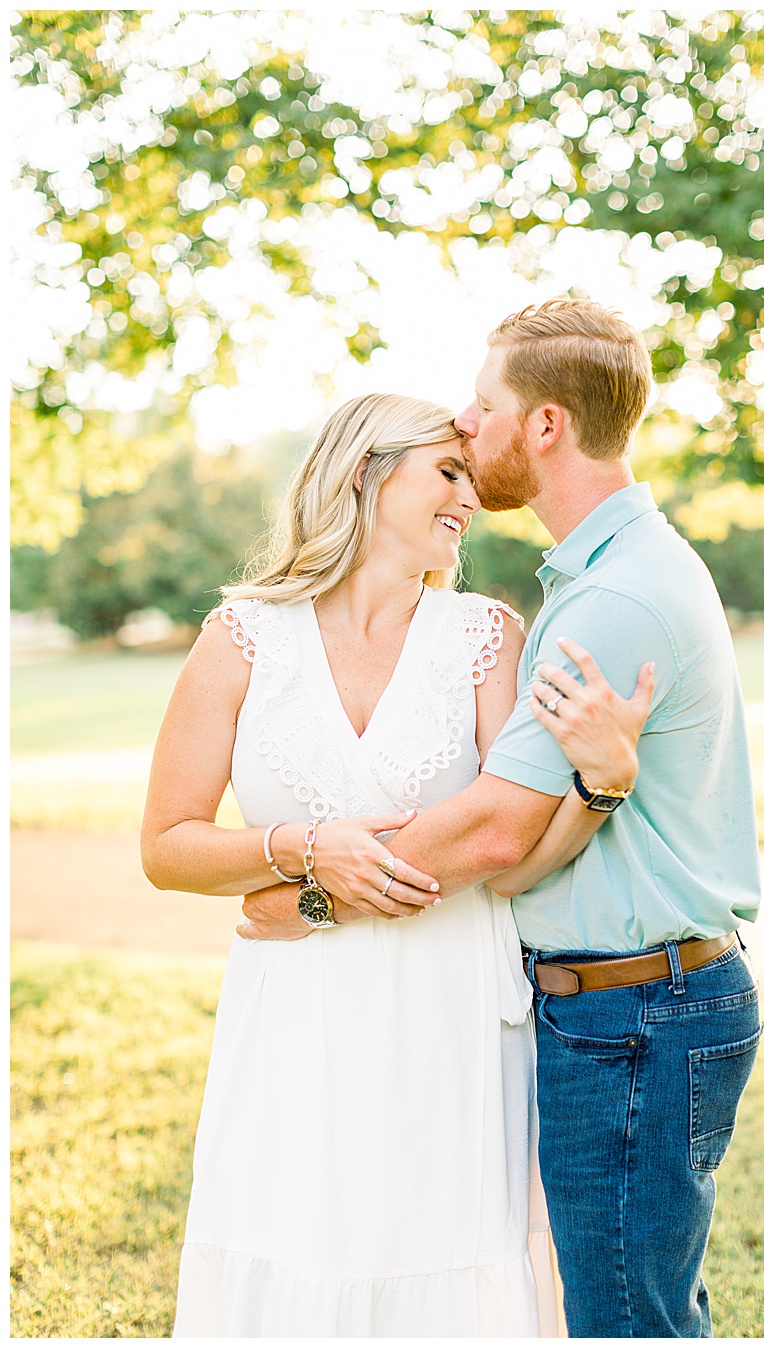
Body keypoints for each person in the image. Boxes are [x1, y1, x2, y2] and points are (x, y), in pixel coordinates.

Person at [227, 300, 763, 1337]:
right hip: (624, 1003)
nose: (467, 429)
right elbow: (521, 849)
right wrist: (601, 789)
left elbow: (492, 833)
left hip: (638, 1010)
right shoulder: (601, 575)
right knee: (625, 1308)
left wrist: (314, 896)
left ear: (547, 426)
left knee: (625, 1322)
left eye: (484, 407)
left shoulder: (618, 598)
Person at [143, 392, 655, 1334]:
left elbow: (512, 852)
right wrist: (299, 852)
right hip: (295, 1016)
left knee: (447, 1255)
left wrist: (602, 786)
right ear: (365, 473)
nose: (469, 497)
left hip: (452, 1006)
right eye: (447, 472)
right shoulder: (243, 637)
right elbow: (167, 847)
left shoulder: (485, 637)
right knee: (296, 1247)